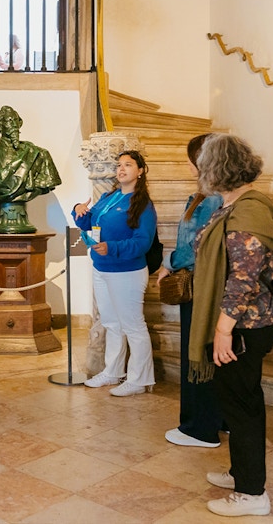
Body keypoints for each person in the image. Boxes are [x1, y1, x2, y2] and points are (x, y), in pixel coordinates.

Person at [189, 133, 273, 518]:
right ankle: (241, 471)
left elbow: (244, 277)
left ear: (216, 168)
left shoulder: (248, 210)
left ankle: (251, 494)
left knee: (241, 406)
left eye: (203, 164)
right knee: (236, 401)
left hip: (243, 325)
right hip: (238, 322)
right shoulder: (234, 204)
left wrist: (223, 329)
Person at [156, 135, 223, 447]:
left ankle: (199, 428)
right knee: (209, 353)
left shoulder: (210, 199)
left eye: (188, 157)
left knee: (196, 354)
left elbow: (195, 247)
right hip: (206, 283)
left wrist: (170, 262)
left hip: (200, 286)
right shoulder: (206, 196)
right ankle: (219, 419)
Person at [73, 150, 157, 397]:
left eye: (128, 165)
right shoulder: (110, 197)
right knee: (111, 323)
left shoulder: (142, 205)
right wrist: (79, 211)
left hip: (127, 271)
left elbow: (143, 242)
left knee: (133, 326)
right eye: (119, 165)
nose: (121, 169)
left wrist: (113, 247)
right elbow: (90, 224)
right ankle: (113, 372)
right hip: (102, 267)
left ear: (140, 171)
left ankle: (140, 379)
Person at [0, 105, 61, 233]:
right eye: (9, 121)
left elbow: (46, 182)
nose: (14, 125)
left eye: (16, 121)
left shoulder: (38, 155)